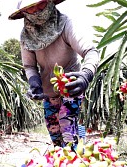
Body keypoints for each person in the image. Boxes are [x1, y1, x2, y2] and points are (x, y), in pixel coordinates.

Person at [9, 0, 99, 150]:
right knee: (55, 133)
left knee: (68, 128)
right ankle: (63, 165)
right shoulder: (26, 36)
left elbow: (90, 51)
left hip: (71, 88)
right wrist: (34, 82)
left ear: (50, 2)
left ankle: (75, 165)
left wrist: (86, 75)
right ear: (24, 13)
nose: (37, 11)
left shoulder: (66, 24)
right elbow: (29, 65)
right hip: (48, 93)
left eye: (41, 4)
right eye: (30, 9)